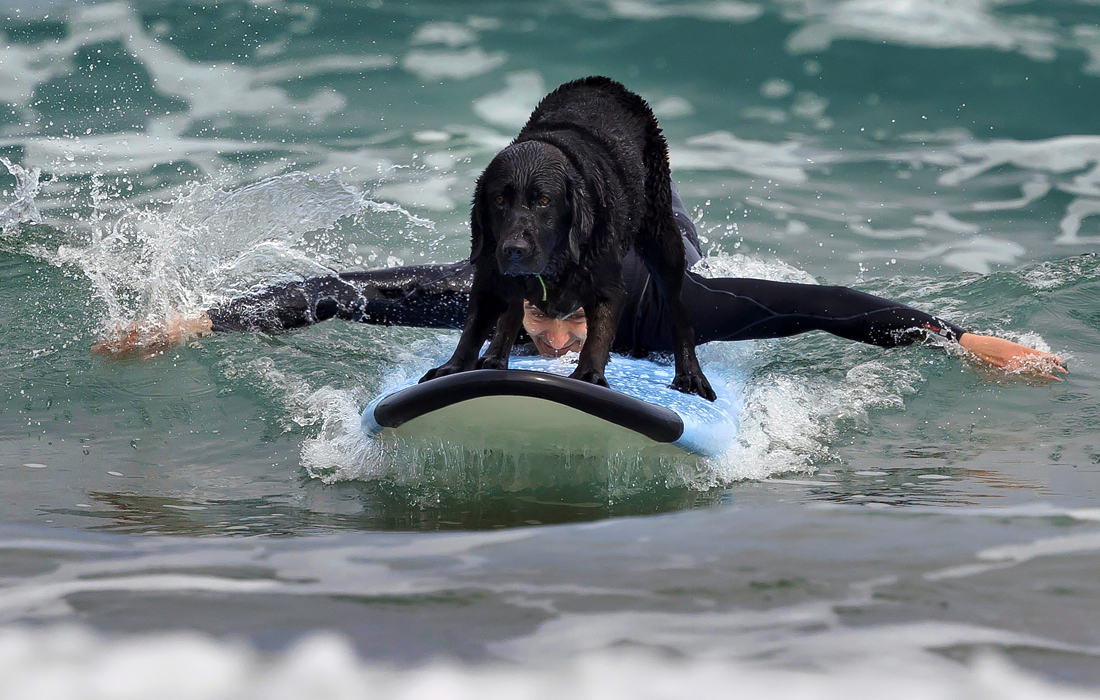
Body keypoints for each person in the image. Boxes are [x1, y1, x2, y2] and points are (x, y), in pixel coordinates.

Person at [93, 187, 1067, 381]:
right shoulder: (485, 290)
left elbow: (824, 309)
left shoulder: (676, 308)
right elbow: (338, 291)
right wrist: (196, 323)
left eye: (572, 330)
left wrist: (959, 338)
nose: (557, 346)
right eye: (540, 326)